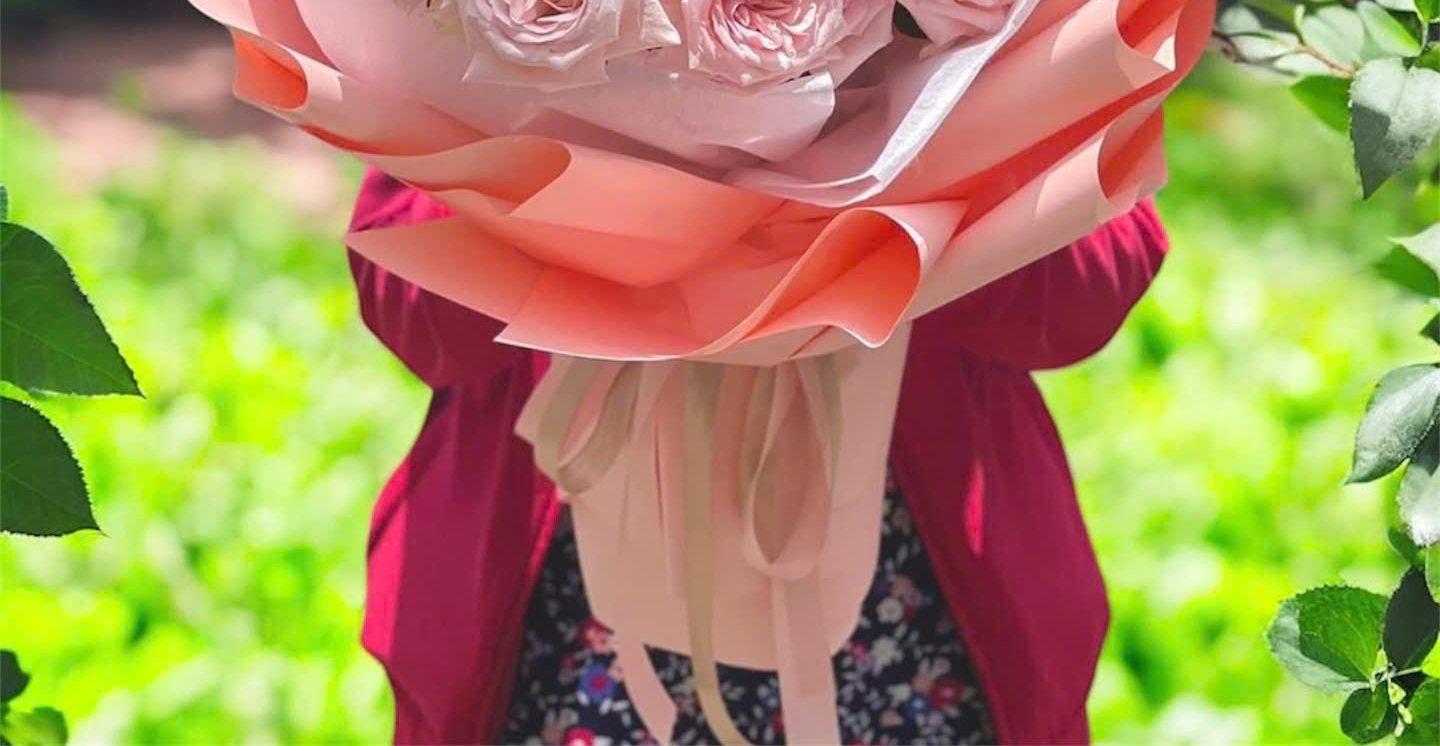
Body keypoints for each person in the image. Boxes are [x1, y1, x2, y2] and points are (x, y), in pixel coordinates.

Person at [347, 169, 1168, 746]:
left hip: (918, 623)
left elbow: (1086, 288)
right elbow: (413, 307)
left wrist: (911, 180)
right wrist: (559, 167)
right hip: (566, 632)